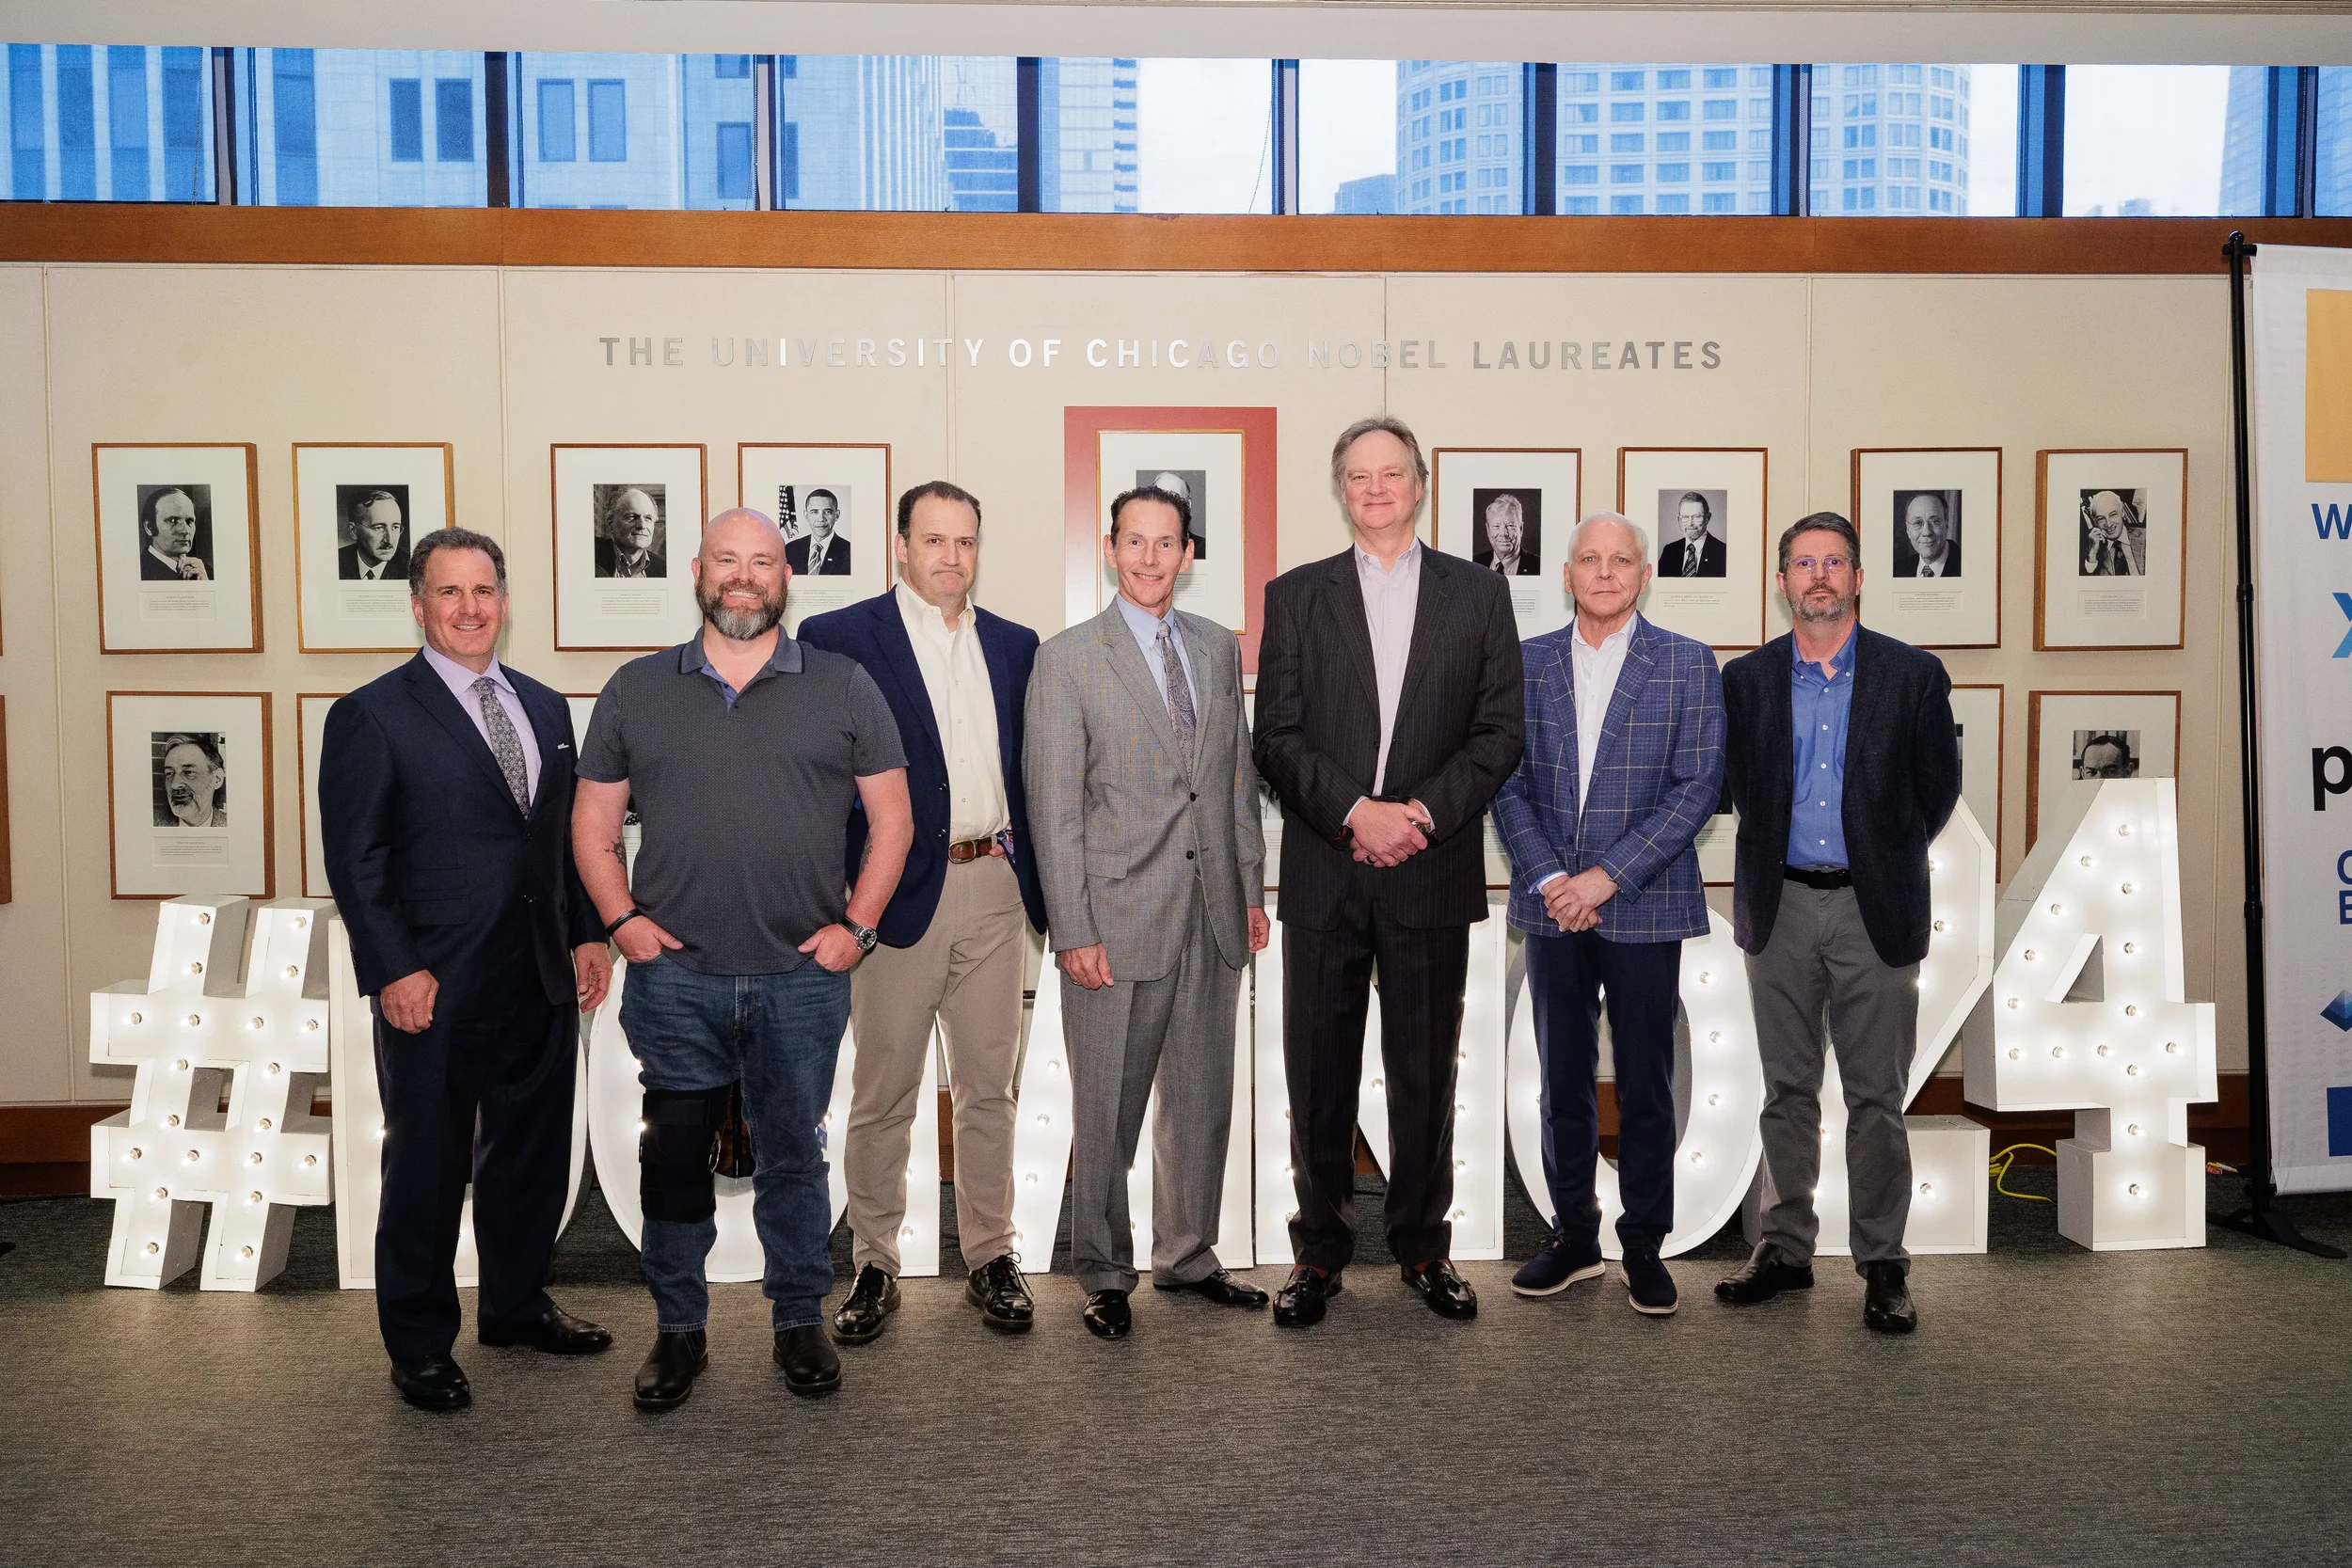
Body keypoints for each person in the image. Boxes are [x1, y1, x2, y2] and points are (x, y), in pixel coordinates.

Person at [574, 507, 912, 1410]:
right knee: (674, 1158)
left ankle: (798, 1319)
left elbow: (894, 822)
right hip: (676, 979)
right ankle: (679, 1331)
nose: (744, 576)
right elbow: (595, 823)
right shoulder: (636, 689)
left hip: (803, 979)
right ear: (698, 569)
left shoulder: (843, 685)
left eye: (762, 562)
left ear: (785, 578)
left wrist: (860, 927)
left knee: (796, 1158)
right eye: (728, 560)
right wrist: (621, 918)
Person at [320, 526, 615, 1414]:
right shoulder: (372, 713)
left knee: (530, 1152)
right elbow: (356, 861)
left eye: (484, 590)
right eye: (449, 593)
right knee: (428, 1164)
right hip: (433, 985)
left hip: (538, 972)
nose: (469, 608)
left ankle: (517, 1306)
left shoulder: (544, 704)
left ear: (504, 599)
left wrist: (590, 930)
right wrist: (393, 969)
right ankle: (417, 1342)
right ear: (418, 605)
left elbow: (563, 838)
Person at [1252, 416, 1523, 1328]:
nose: (1376, 488)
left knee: (1422, 1077)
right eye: (1359, 475)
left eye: (1391, 473)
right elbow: (1276, 738)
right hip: (1326, 873)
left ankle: (1421, 1244)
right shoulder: (1295, 596)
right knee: (1317, 1076)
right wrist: (1352, 813)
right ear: (1341, 489)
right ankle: (1318, 1253)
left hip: (1430, 869)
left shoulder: (1479, 595)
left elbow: (1498, 734)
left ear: (1418, 485)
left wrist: (1415, 816)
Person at [797, 481, 1049, 1344]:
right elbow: (823, 782)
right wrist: (840, 894)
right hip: (893, 889)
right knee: (884, 1090)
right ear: (901, 546)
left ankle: (991, 1256)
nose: (952, 557)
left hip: (994, 885)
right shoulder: (838, 640)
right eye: (934, 540)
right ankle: (875, 1262)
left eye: (966, 542)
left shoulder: (1016, 645)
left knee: (989, 1088)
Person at [1025, 483, 1269, 1339]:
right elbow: (1053, 810)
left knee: (1200, 1100)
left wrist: (1250, 886)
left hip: (1211, 911)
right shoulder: (1067, 659)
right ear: (1109, 546)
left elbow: (1232, 781)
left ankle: (1190, 1254)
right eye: (1136, 542)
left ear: (1188, 554)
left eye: (1167, 543)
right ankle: (1101, 1268)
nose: (1151, 558)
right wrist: (1074, 929)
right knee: (1108, 1106)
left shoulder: (1213, 648)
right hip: (1115, 921)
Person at [1714, 511, 1959, 1335]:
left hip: (1872, 908)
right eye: (1802, 563)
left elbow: (1936, 794)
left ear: (1858, 579)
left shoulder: (1913, 675)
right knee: (1786, 1089)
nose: (1818, 576)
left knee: (1875, 1098)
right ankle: (1784, 1246)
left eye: (1834, 563)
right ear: (1781, 581)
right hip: (1777, 907)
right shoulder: (1745, 681)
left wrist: (1880, 859)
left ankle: (1883, 1263)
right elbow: (1735, 788)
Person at [1490, 512, 1724, 1317]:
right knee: (1562, 1079)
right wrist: (1556, 876)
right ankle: (1575, 1238)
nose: (1604, 572)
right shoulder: (1524, 664)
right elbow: (1505, 781)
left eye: (1619, 559)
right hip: (1551, 902)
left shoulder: (1690, 665)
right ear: (1567, 573)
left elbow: (1697, 789)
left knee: (1649, 1082)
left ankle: (1644, 1245)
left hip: (1645, 903)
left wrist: (1604, 878)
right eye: (1589, 559)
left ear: (1644, 572)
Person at [155, 735, 228, 828]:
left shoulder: (235, 827)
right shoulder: (150, 823)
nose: (175, 784)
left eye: (188, 772)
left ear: (217, 779)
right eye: (169, 773)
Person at [339, 489, 411, 582]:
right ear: (354, 531)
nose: (389, 540)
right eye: (379, 528)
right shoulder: (335, 562)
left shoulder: (411, 568)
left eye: (395, 527)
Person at [138, 487, 208, 580]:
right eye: (173, 520)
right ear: (149, 527)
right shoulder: (138, 573)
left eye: (189, 521)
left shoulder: (206, 573)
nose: (185, 531)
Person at [594, 487, 665, 578]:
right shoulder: (590, 556)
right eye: (632, 517)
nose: (642, 525)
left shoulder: (664, 569)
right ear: (610, 522)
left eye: (648, 518)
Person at [1654, 492, 1727, 578]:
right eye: (1685, 517)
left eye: (1696, 517)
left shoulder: (1723, 552)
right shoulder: (1669, 551)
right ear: (1679, 520)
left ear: (1707, 518)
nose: (1690, 523)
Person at [1891, 492, 1961, 579]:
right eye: (1918, 523)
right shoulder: (1897, 570)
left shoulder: (1967, 566)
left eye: (1935, 521)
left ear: (1946, 525)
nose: (1927, 532)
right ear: (1908, 530)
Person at [784, 488, 851, 576]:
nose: (821, 519)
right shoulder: (790, 549)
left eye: (827, 512)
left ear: (837, 515)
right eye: (814, 512)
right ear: (806, 515)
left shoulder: (849, 551)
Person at [2081, 490, 2146, 577]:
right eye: (2101, 519)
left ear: (2122, 512)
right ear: (2094, 521)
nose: (2109, 524)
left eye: (2113, 515)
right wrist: (2092, 554)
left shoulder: (2146, 536)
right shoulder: (2091, 548)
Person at [1477, 493, 1537, 578]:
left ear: (1521, 529)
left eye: (1510, 525)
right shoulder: (1475, 563)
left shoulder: (1538, 565)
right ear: (1488, 530)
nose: (1503, 534)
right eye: (1496, 526)